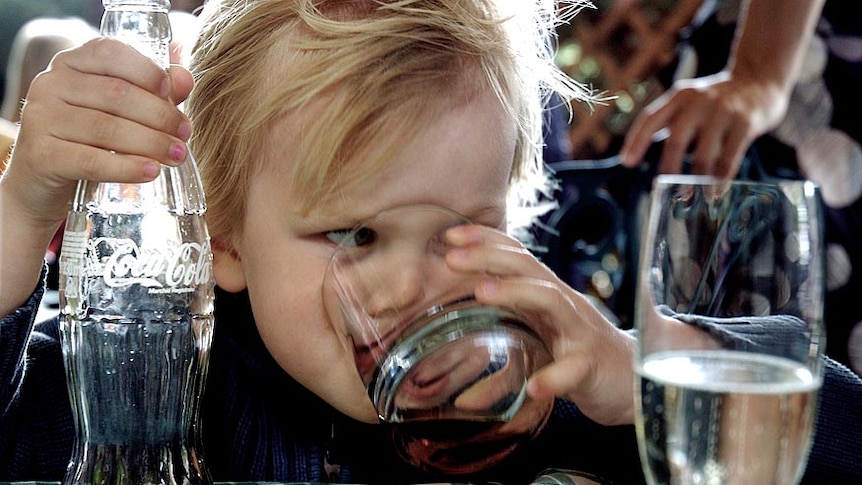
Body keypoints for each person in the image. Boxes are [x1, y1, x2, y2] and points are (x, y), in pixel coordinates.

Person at [0, 1, 859, 484]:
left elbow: (841, 436)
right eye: (354, 232)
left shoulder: (544, 383)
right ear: (221, 237)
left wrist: (636, 376)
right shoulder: (168, 387)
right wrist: (20, 213)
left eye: (462, 230)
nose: (413, 285)